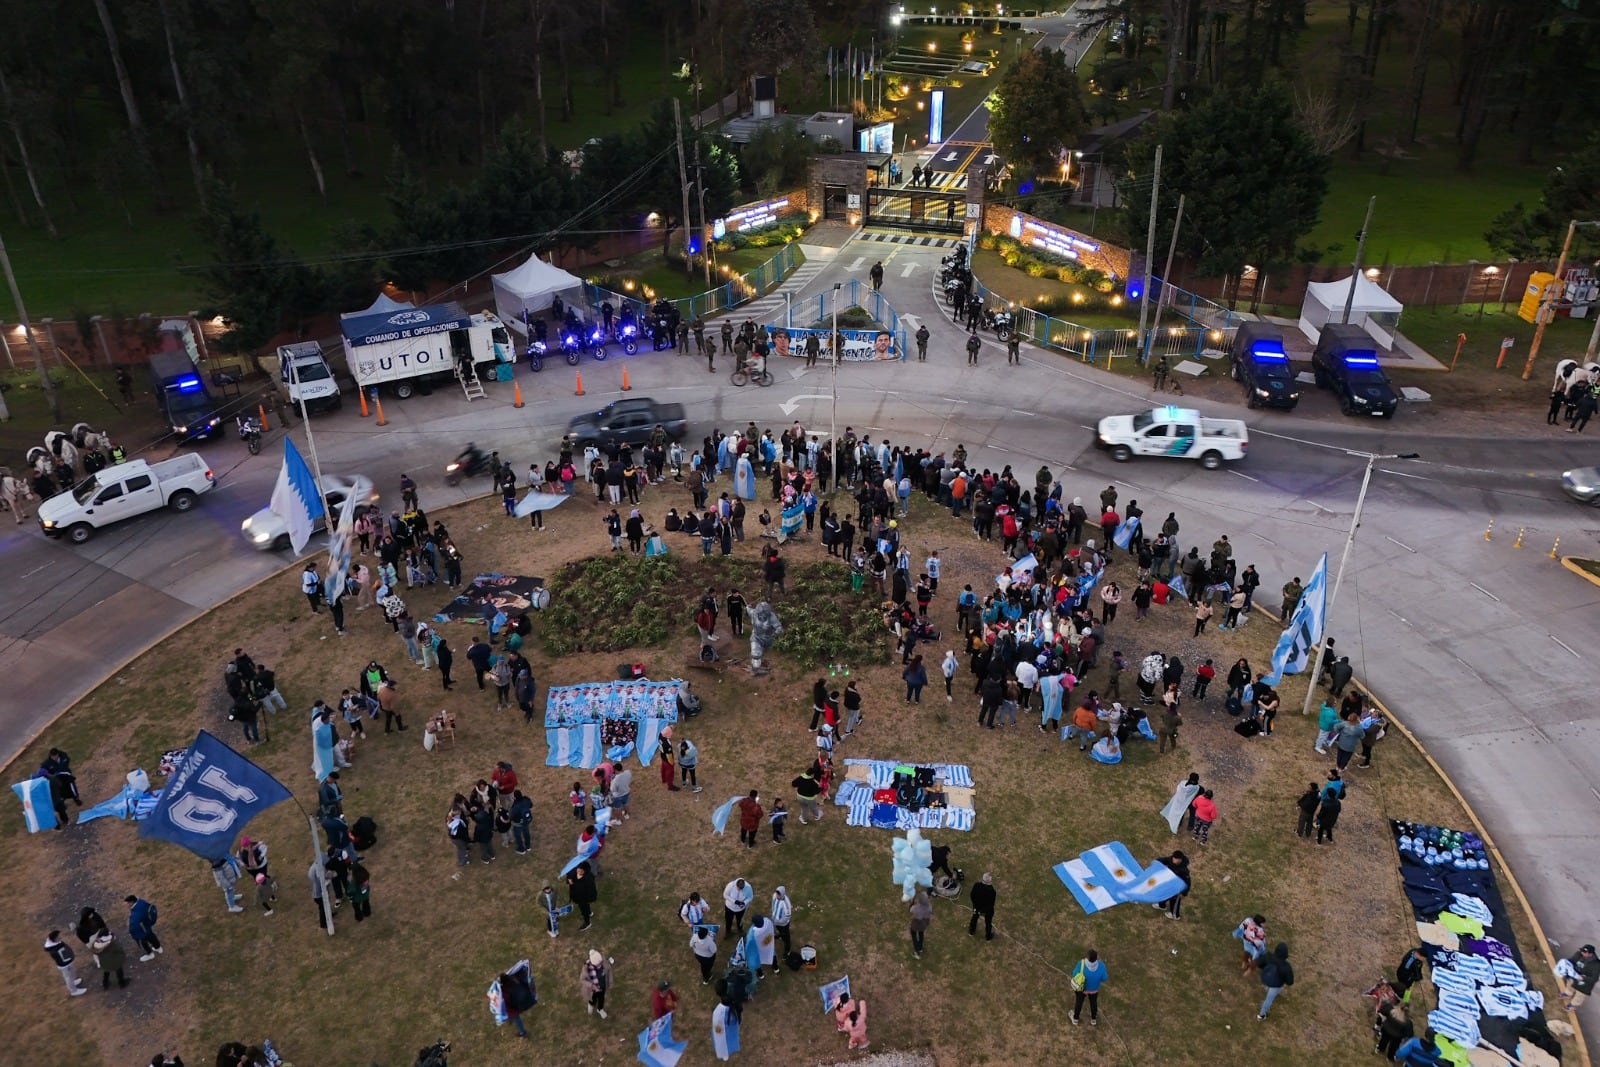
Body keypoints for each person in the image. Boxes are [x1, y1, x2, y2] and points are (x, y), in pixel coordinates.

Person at [1256, 942, 1294, 1020]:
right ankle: (1261, 1015)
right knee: (1268, 1000)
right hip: (1276, 985)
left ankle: (1267, 989)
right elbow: (1290, 982)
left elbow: (1259, 963)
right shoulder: (1286, 966)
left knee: (1268, 987)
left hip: (1266, 979)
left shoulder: (1268, 956)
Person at [1070, 949, 1107, 1025]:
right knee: (1093, 1003)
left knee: (1079, 1002)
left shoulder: (1081, 964)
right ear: (1096, 958)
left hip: (1082, 989)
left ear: (1088, 957)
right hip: (1094, 989)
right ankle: (1093, 1019)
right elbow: (1104, 978)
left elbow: (1074, 974)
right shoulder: (1101, 965)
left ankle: (1075, 1019)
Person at [44, 930, 87, 996]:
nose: (60, 938)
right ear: (55, 939)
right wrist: (69, 959)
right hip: (65, 965)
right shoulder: (55, 949)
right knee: (68, 977)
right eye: (58, 937)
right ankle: (73, 991)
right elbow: (63, 958)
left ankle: (73, 982)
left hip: (68, 962)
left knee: (72, 972)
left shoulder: (57, 943)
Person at [126, 895, 161, 960]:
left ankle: (150, 954)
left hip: (141, 931)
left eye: (128, 903)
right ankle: (158, 948)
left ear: (132, 902)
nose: (127, 905)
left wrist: (132, 932)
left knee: (143, 943)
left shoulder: (135, 914)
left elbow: (134, 926)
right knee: (152, 936)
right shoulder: (142, 903)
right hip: (147, 925)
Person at [580, 949, 612, 1019]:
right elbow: (582, 980)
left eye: (600, 963)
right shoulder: (586, 969)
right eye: (598, 964)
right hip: (592, 991)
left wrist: (610, 981)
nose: (600, 965)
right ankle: (591, 1005)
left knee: (601, 999)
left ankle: (600, 1009)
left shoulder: (604, 963)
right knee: (592, 1000)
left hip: (602, 987)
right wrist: (591, 985)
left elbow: (609, 972)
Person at [969, 872, 996, 940]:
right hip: (986, 910)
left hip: (977, 907)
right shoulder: (992, 891)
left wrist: (975, 906)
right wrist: (983, 910)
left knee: (974, 918)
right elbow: (991, 904)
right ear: (990, 881)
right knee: (988, 922)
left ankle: (971, 931)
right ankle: (988, 936)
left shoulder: (976, 885)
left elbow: (972, 895)